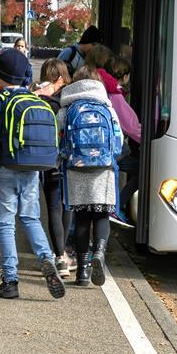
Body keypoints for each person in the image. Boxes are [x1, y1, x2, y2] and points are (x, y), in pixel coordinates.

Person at [0, 48, 65, 300]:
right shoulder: (34, 99)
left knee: (6, 223)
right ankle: (46, 259)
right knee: (30, 218)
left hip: (6, 166)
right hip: (32, 168)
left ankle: (10, 280)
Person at [57, 65, 122, 287]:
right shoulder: (107, 108)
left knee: (82, 217)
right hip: (103, 169)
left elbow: (59, 139)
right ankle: (99, 254)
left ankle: (82, 272)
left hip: (76, 169)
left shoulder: (67, 108)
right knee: (102, 214)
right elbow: (118, 141)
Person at [34, 58, 74, 276]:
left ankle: (59, 257)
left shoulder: (36, 98)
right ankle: (64, 255)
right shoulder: (70, 98)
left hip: (47, 159)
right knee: (66, 205)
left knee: (52, 207)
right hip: (70, 160)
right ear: (62, 77)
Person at [101, 56, 141, 227]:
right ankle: (116, 207)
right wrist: (151, 140)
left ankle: (116, 207)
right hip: (113, 149)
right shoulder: (115, 96)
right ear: (125, 76)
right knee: (142, 169)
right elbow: (131, 127)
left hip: (100, 148)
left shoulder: (103, 89)